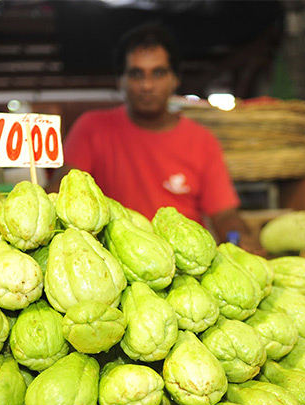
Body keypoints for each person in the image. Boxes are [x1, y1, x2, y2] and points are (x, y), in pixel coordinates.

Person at [45, 23, 263, 254]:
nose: (147, 86)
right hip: (115, 262)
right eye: (136, 74)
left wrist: (237, 239)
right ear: (121, 80)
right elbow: (62, 189)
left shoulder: (202, 141)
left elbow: (225, 214)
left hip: (185, 263)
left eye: (158, 73)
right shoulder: (91, 128)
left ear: (175, 79)